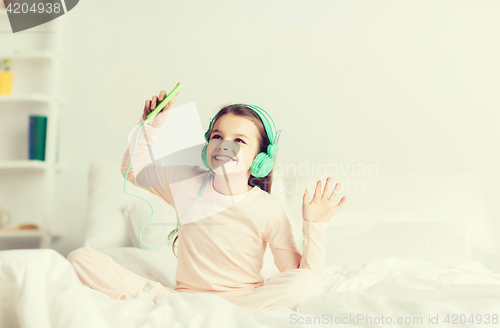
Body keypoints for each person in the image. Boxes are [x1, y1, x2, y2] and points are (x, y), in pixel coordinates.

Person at [67, 89, 347, 311]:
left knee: (308, 283)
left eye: (239, 140)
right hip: (184, 297)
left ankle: (213, 313)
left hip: (243, 301)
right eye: (217, 136)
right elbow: (132, 170)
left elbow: (301, 276)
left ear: (261, 159)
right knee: (80, 257)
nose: (225, 145)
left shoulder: (267, 207)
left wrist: (314, 226)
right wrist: (149, 127)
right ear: (207, 146)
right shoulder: (188, 183)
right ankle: (174, 304)